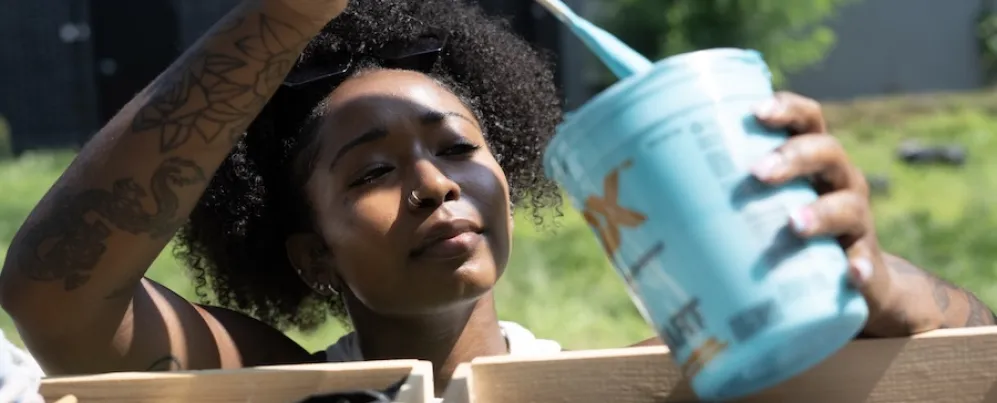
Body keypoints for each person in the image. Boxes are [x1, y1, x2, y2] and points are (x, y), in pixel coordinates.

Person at [0, 0, 993, 396]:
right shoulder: (278, 392)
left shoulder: (641, 382)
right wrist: (284, 14)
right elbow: (57, 292)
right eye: (372, 172)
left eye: (455, 149)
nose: (433, 183)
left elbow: (969, 361)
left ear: (507, 182)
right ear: (310, 251)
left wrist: (869, 280)